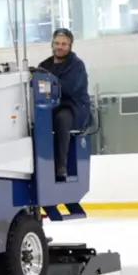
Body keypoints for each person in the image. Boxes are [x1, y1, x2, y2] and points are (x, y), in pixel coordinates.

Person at [36, 28, 91, 180]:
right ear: (52, 44)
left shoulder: (77, 65)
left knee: (62, 118)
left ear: (70, 45)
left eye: (64, 44)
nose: (60, 47)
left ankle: (61, 166)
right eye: (57, 43)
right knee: (36, 121)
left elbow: (69, 88)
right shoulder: (44, 66)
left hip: (73, 108)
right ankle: (40, 163)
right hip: (50, 108)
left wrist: (50, 85)